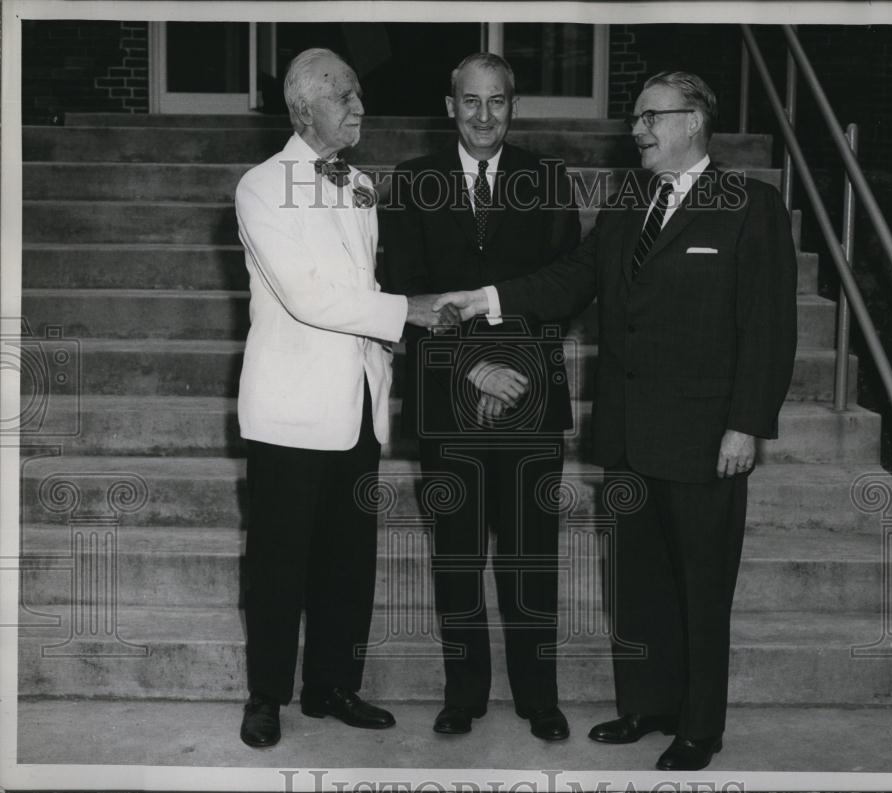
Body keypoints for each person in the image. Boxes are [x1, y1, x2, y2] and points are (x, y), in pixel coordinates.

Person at [434, 71, 798, 770]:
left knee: (701, 588)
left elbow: (769, 325)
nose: (637, 129)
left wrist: (747, 423)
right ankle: (646, 705)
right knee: (638, 584)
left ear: (694, 122)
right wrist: (489, 299)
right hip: (630, 433)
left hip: (705, 436)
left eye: (651, 117)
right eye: (635, 117)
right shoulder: (630, 202)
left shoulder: (750, 205)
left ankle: (699, 726)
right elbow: (572, 278)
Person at [234, 47, 452, 748]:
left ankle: (332, 685)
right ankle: (267, 694)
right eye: (346, 97)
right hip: (290, 412)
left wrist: (393, 335)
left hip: (358, 405)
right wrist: (405, 312)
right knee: (278, 563)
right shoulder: (261, 187)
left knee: (347, 562)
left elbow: (362, 282)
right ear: (304, 110)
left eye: (359, 95)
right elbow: (307, 295)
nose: (361, 107)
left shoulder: (359, 185)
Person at [380, 53, 581, 740]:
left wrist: (509, 373)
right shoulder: (411, 184)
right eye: (471, 101)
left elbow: (565, 287)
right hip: (447, 398)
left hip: (530, 397)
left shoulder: (548, 179)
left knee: (532, 555)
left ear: (513, 106)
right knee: (458, 556)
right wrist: (474, 370)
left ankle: (539, 697)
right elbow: (405, 294)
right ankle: (463, 693)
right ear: (450, 107)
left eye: (497, 101)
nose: (484, 115)